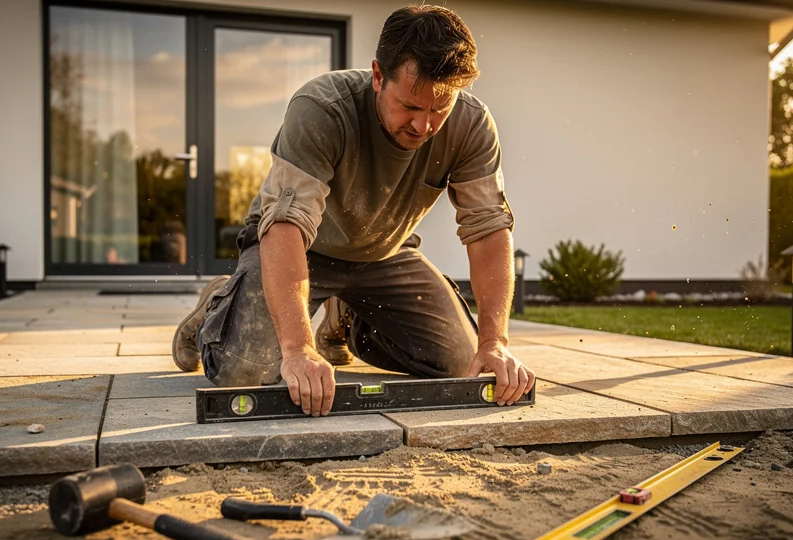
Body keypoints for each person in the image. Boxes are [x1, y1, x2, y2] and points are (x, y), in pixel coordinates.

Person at [172, 3, 535, 417]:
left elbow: (488, 228)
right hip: (299, 248)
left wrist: (495, 344)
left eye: (439, 109)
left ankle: (344, 318)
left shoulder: (472, 125)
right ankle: (219, 305)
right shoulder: (323, 108)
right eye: (410, 107)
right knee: (243, 371)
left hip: (385, 255)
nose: (424, 126)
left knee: (463, 363)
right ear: (379, 76)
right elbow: (286, 226)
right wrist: (297, 349)